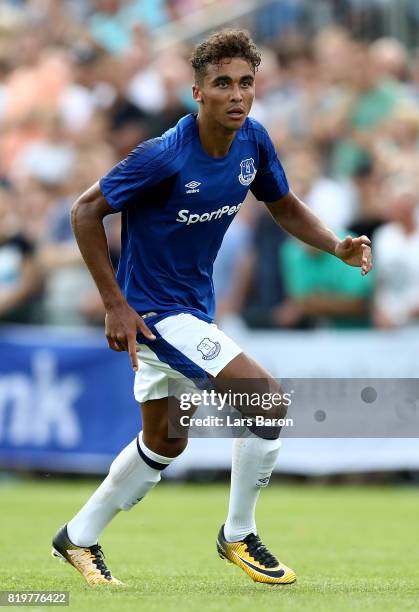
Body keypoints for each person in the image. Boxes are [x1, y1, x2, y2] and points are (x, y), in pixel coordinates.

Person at [51, 30, 372, 587]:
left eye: (245, 83)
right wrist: (115, 305)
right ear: (197, 92)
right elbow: (85, 211)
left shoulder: (253, 141)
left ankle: (77, 537)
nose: (236, 95)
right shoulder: (163, 156)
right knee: (267, 404)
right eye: (222, 84)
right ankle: (238, 534)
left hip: (193, 310)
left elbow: (286, 206)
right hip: (156, 315)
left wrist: (336, 243)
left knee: (165, 440)